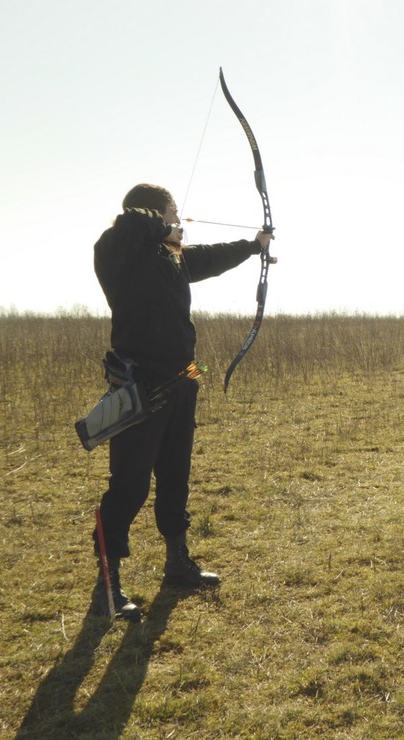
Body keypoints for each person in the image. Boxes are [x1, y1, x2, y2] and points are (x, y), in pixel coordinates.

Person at [89, 183, 273, 620]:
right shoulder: (118, 251)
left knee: (175, 476)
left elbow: (208, 257)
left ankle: (177, 563)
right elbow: (131, 225)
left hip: (183, 379)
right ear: (152, 214)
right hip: (139, 384)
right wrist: (162, 224)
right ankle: (107, 587)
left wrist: (254, 246)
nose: (180, 220)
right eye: (173, 212)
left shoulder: (169, 258)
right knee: (130, 484)